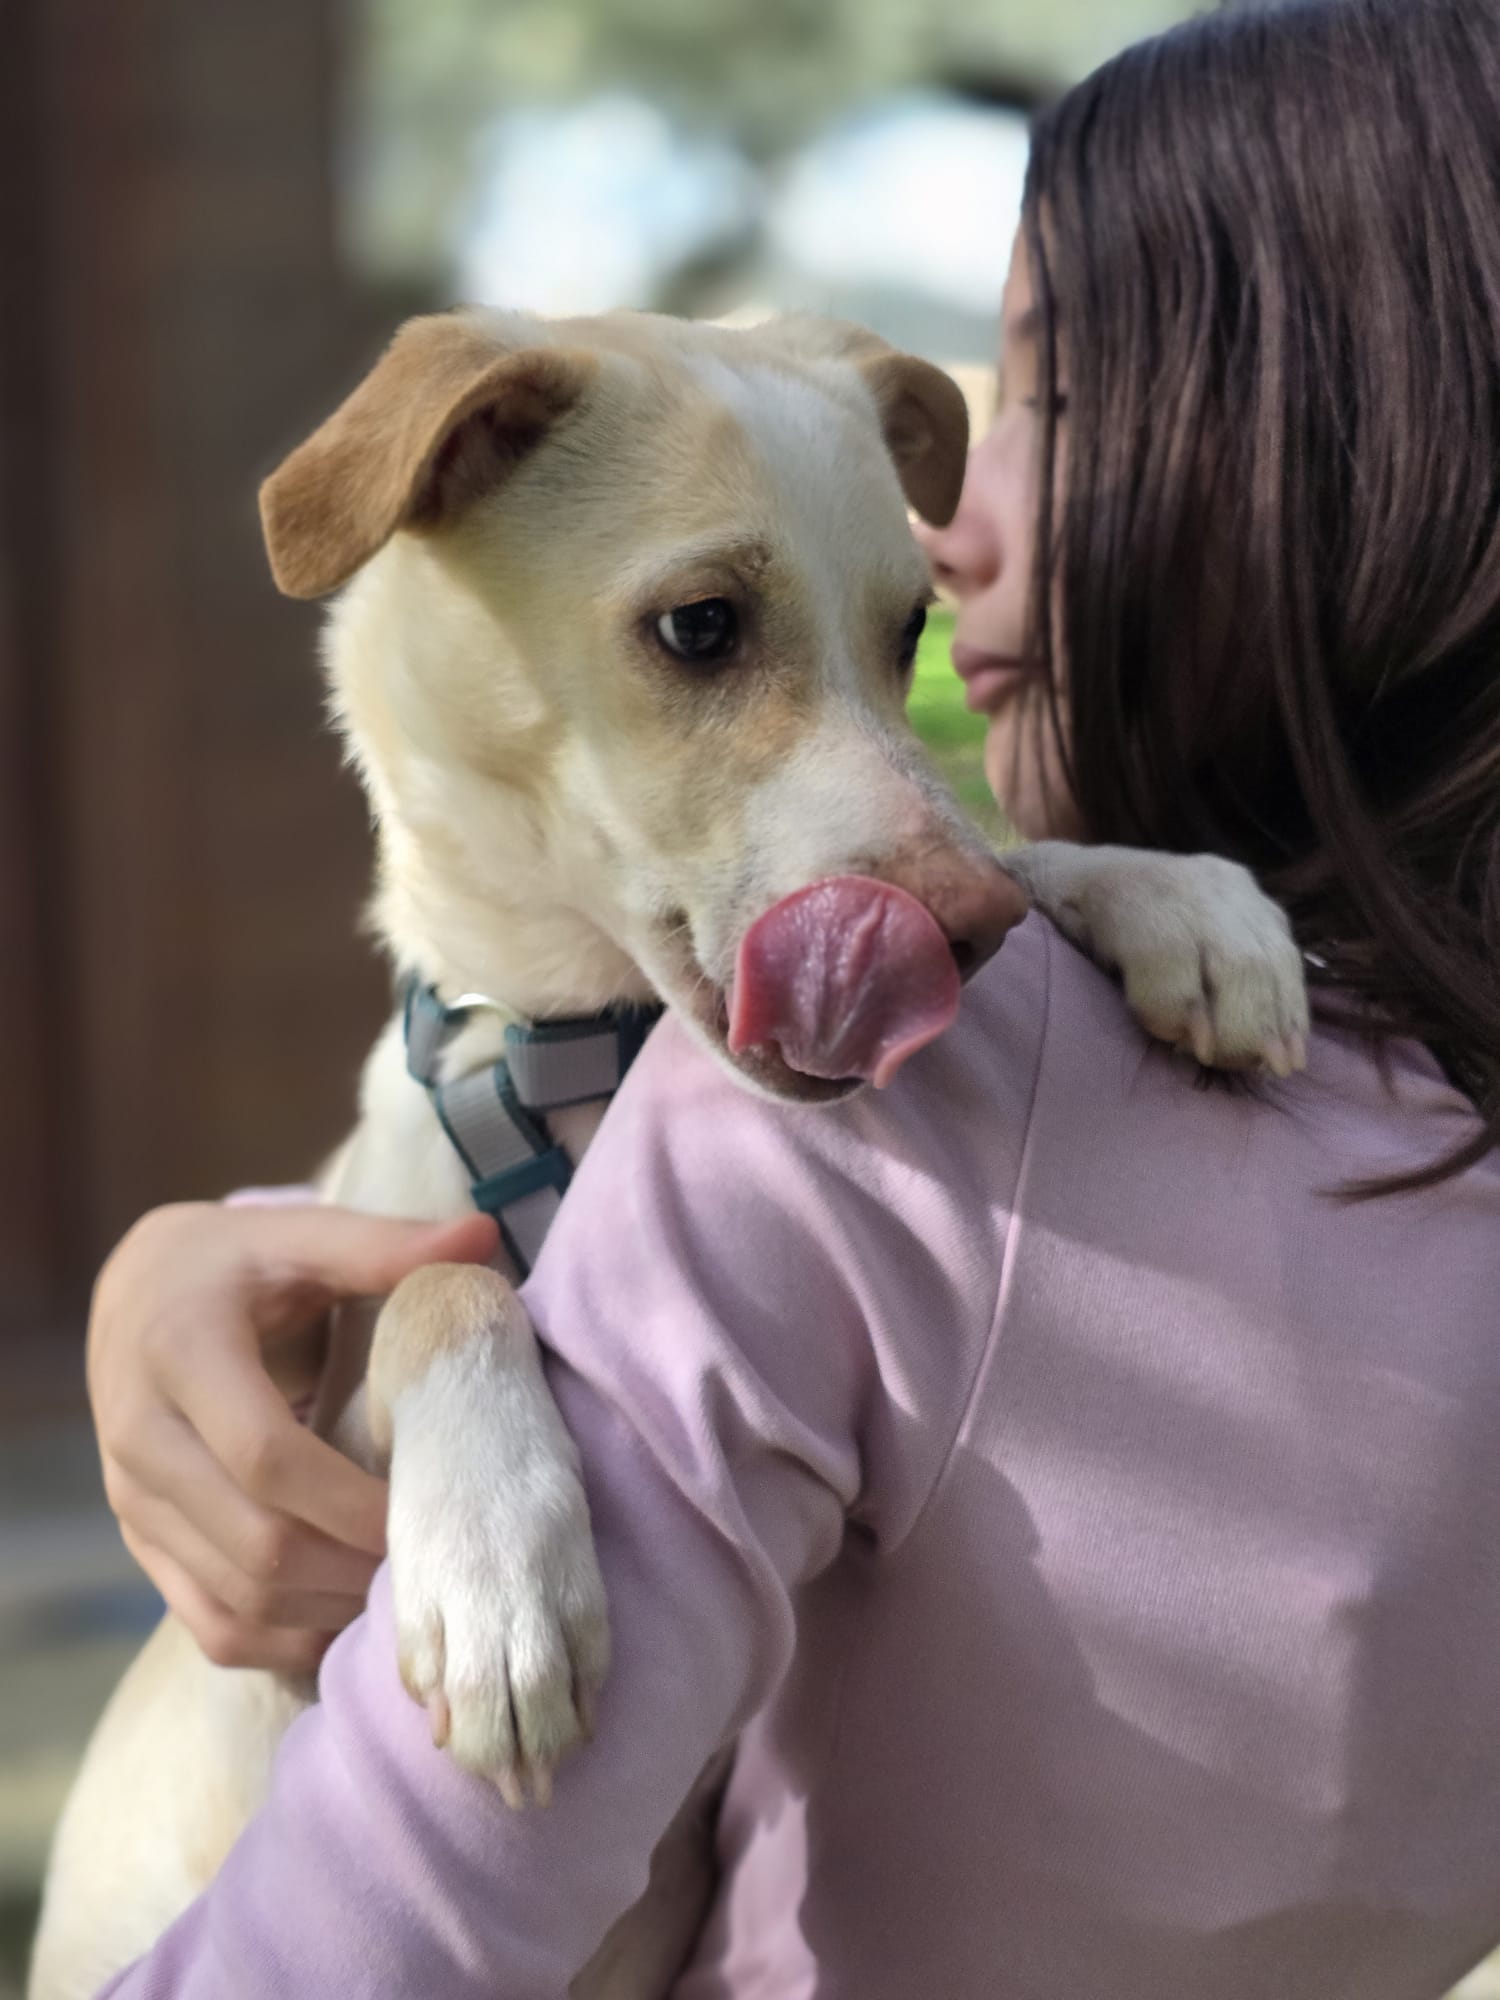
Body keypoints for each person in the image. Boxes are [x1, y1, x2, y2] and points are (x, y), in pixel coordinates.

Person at [81, 1, 1500, 1992]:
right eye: (702, 633)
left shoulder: (829, 1154)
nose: (965, 523)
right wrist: (317, 1289)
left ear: (1336, 462)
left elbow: (382, 1927)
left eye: (1056, 399)